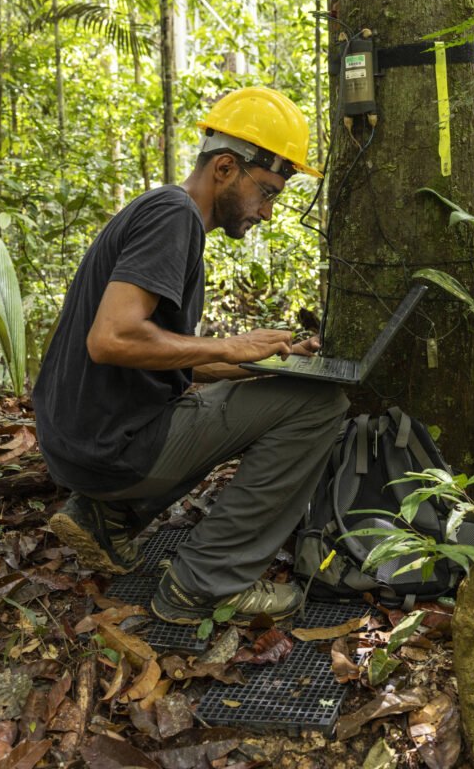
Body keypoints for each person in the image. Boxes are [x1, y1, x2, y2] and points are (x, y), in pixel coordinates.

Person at [33, 87, 348, 626]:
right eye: (266, 193)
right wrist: (232, 345)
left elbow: (162, 356)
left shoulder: (165, 215)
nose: (268, 214)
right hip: (110, 448)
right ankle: (202, 586)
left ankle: (103, 517)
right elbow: (110, 339)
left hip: (79, 443)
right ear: (225, 167)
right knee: (322, 405)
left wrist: (262, 362)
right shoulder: (173, 216)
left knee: (277, 389)